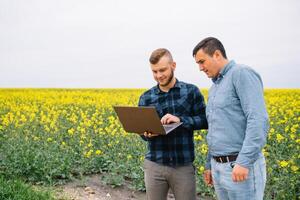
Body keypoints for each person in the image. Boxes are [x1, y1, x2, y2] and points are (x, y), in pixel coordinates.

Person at [192, 37, 269, 200]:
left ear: (217, 54)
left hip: (239, 167)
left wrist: (244, 162)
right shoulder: (214, 88)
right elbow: (215, 129)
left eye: (202, 62)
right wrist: (209, 164)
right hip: (218, 167)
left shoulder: (241, 74)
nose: (200, 68)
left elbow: (258, 120)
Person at [138, 48, 208, 200]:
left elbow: (205, 120)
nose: (159, 76)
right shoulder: (146, 97)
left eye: (162, 70)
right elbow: (141, 133)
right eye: (154, 71)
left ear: (173, 65)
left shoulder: (191, 92)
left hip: (182, 165)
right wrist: (146, 134)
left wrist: (181, 120)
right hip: (154, 164)